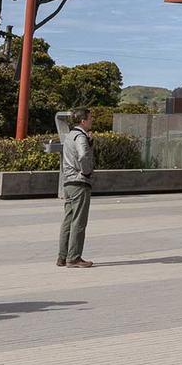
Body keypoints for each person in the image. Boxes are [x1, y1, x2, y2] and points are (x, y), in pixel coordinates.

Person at [58, 107, 98, 269]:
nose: (92, 120)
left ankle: (62, 256)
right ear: (83, 120)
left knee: (68, 220)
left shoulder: (69, 136)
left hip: (68, 181)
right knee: (79, 221)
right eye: (90, 118)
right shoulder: (80, 136)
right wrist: (87, 172)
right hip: (79, 182)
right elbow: (82, 155)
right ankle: (74, 257)